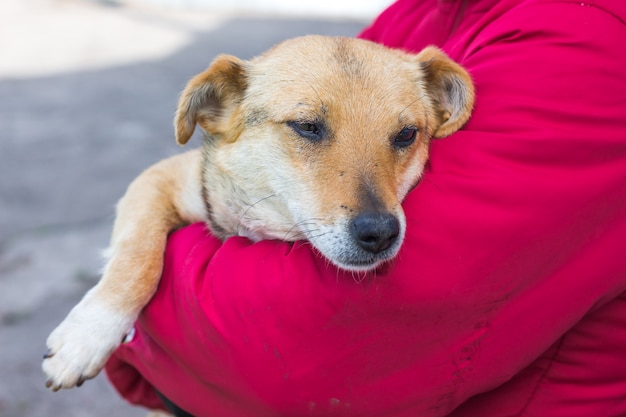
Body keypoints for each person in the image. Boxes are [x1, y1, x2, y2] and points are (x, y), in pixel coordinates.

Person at [105, 0, 626, 416]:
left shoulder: (584, 43)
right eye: (310, 129)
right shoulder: (423, 12)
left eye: (402, 136)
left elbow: (314, 346)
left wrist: (142, 308)